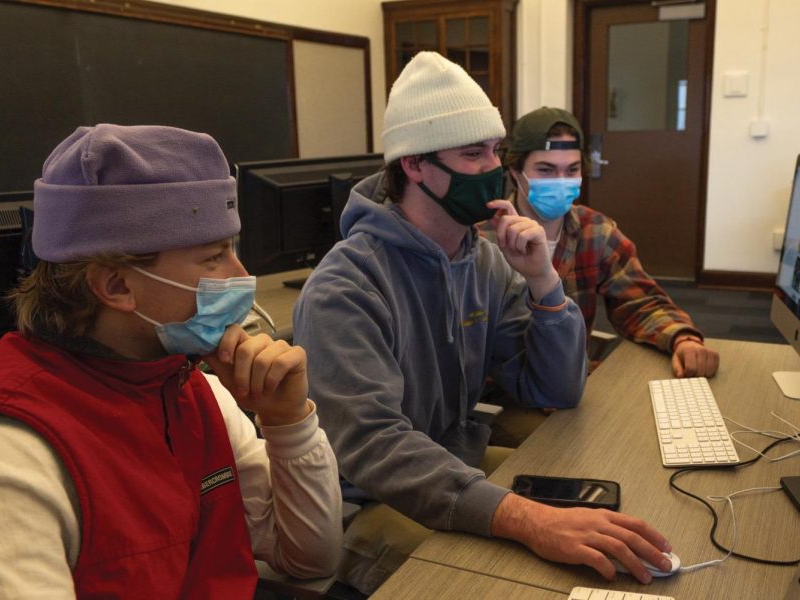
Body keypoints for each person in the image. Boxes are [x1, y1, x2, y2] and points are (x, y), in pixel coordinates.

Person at [292, 52, 672, 595]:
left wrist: (544, 283)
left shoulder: (485, 260)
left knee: (602, 503)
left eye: (495, 150)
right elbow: (377, 448)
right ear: (414, 166)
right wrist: (528, 520)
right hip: (363, 500)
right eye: (473, 154)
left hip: (450, 457)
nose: (493, 168)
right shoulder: (345, 286)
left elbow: (556, 389)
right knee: (522, 581)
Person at [0, 124, 343, 598]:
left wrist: (286, 419)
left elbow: (310, 557)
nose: (241, 275)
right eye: (213, 258)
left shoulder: (196, 389)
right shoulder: (6, 456)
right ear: (116, 287)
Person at [499, 107, 720, 378]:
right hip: (505, 391)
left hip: (572, 380)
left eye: (572, 170)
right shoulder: (484, 238)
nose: (561, 181)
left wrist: (682, 338)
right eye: (546, 170)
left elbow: (640, 302)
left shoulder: (596, 231)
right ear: (514, 170)